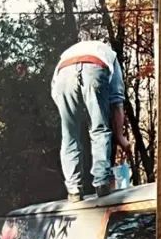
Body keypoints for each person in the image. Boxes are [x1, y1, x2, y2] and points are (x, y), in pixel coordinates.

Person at [53, 20, 131, 200]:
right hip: (95, 67)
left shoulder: (67, 52)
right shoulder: (108, 52)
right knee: (99, 128)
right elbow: (117, 100)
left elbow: (56, 93)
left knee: (70, 134)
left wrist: (72, 114)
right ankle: (102, 182)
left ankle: (73, 189)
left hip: (63, 74)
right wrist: (120, 136)